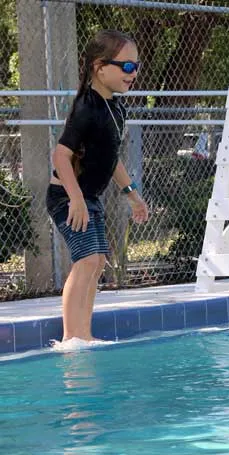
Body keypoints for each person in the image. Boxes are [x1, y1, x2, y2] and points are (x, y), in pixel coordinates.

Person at [45, 30, 149, 343]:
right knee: (87, 260)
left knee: (98, 262)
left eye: (136, 67)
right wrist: (75, 199)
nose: (133, 74)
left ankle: (84, 335)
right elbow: (61, 157)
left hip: (87, 196)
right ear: (99, 67)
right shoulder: (86, 107)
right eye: (126, 67)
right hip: (66, 196)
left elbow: (110, 159)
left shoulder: (116, 108)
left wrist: (132, 195)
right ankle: (71, 338)